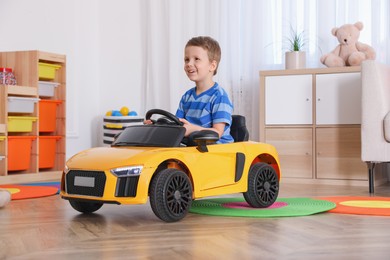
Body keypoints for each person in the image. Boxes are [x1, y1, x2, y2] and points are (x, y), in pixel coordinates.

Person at [176, 36, 234, 144]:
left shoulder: (219, 97)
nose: (189, 64)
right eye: (186, 59)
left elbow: (217, 133)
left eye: (196, 59)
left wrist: (192, 129)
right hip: (193, 148)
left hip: (215, 150)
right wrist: (158, 125)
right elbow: (177, 124)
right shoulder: (186, 97)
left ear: (212, 66)